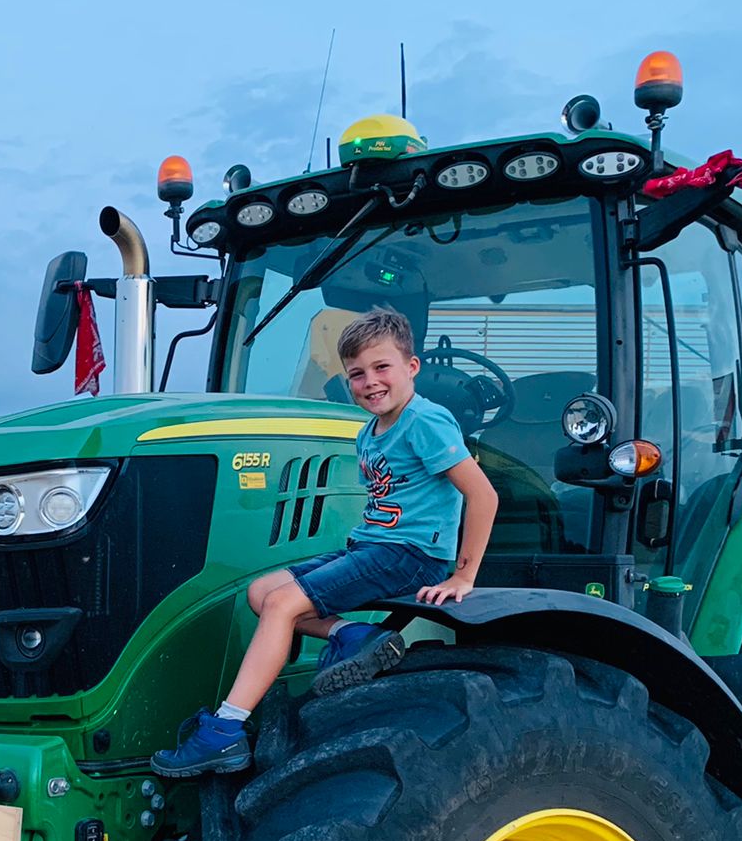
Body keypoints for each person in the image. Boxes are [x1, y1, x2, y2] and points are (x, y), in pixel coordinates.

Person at [152, 306, 499, 777]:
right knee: (261, 593)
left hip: (411, 554)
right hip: (374, 548)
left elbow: (483, 495)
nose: (370, 382)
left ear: (412, 367)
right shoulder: (368, 432)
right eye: (357, 374)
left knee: (283, 606)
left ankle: (225, 729)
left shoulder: (425, 421)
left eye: (382, 368)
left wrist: (463, 575)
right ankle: (350, 635)